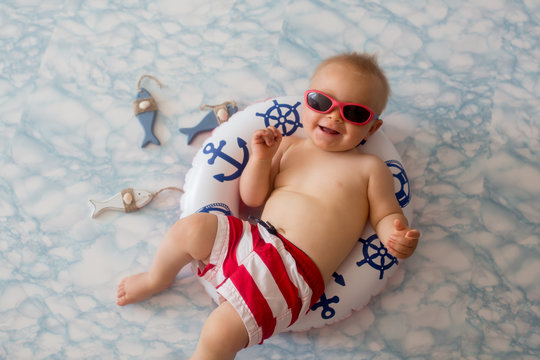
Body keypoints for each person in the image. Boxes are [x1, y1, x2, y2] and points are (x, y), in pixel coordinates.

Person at [116, 52, 420, 359]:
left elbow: (386, 213)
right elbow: (252, 198)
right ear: (305, 103)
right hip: (252, 236)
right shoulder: (289, 146)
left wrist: (394, 232)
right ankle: (157, 277)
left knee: (220, 330)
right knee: (192, 228)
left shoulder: (370, 168)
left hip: (292, 272)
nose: (334, 116)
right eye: (321, 102)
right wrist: (261, 159)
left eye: (354, 113)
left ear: (372, 128)